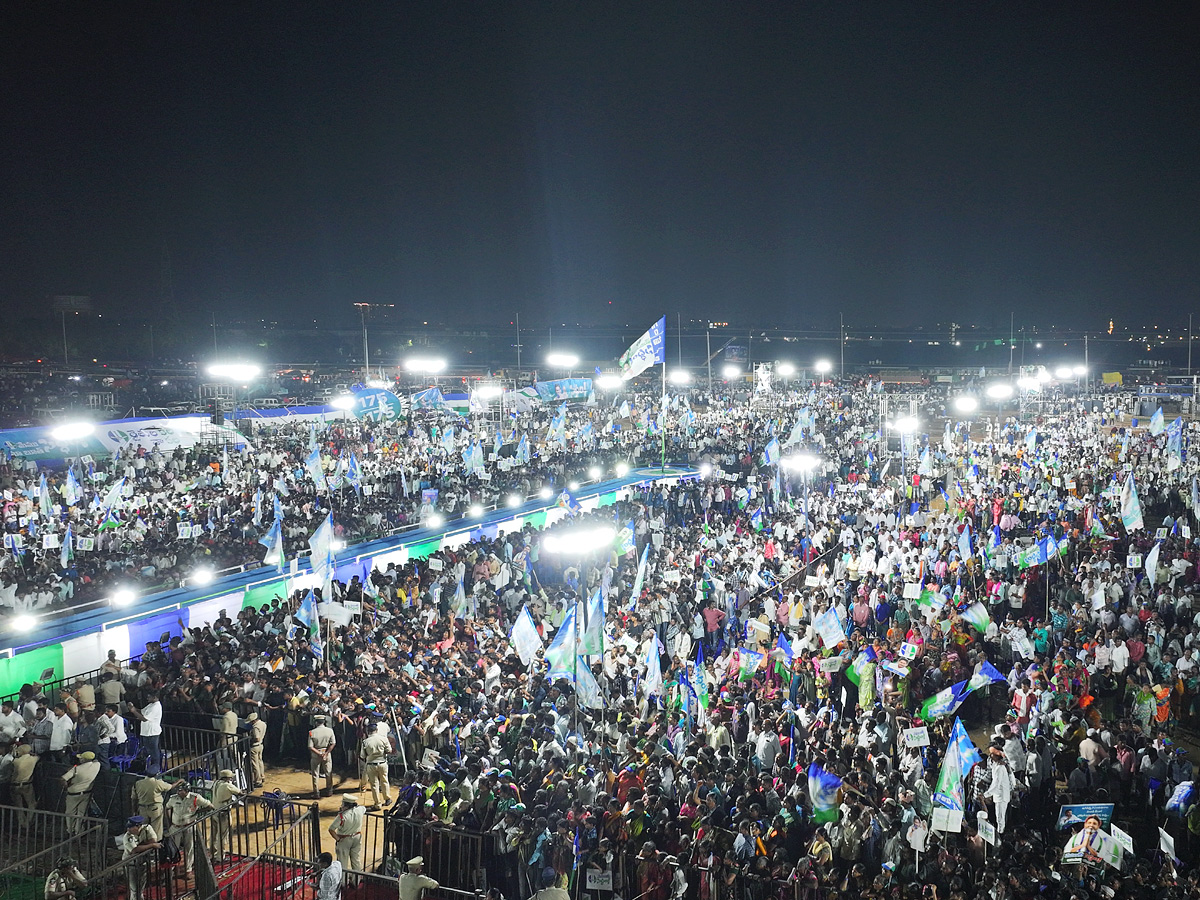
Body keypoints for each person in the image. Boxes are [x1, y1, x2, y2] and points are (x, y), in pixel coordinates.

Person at [165, 779, 214, 876]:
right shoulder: (173, 798)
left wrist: (197, 813)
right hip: (175, 827)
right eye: (178, 790)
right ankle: (174, 868)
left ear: (187, 790)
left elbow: (210, 805)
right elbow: (167, 808)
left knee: (189, 848)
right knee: (174, 849)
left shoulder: (195, 798)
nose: (179, 792)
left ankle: (188, 869)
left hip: (189, 826)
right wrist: (169, 823)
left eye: (181, 790)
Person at [60, 750, 101, 834]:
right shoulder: (97, 765)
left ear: (83, 760)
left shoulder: (76, 769)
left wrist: (66, 786)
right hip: (87, 792)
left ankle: (70, 830)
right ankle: (79, 830)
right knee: (81, 813)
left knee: (70, 813)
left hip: (73, 793)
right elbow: (96, 761)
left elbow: (63, 779)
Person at [122, 816, 162, 900]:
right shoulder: (127, 836)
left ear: (138, 826)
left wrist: (143, 846)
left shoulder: (147, 828)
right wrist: (150, 845)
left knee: (140, 888)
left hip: (142, 863)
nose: (128, 829)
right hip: (131, 864)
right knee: (134, 890)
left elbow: (154, 840)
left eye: (131, 827)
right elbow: (135, 850)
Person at [210, 769, 244, 863]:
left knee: (213, 835)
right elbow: (240, 792)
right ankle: (220, 858)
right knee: (222, 836)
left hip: (214, 812)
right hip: (223, 813)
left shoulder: (216, 782)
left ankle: (213, 854)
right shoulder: (227, 785)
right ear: (227, 778)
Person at [358, 721, 391, 810]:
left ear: (368, 731)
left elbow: (362, 756)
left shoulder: (365, 742)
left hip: (371, 764)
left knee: (374, 785)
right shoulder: (384, 739)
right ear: (377, 730)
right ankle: (387, 798)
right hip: (382, 763)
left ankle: (377, 804)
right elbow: (389, 750)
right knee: (384, 781)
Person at [329, 793, 366, 872]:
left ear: (346, 805)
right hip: (357, 837)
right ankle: (357, 879)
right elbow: (363, 808)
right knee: (356, 860)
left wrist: (338, 839)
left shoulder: (342, 816)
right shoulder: (360, 810)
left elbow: (331, 829)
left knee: (342, 862)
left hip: (344, 839)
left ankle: (343, 881)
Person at [11, 743, 39, 827]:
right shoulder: (33, 759)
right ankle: (29, 821)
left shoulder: (15, 761)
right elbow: (38, 757)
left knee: (18, 805)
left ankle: (21, 822)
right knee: (31, 804)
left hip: (14, 784)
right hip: (27, 784)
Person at [309, 713, 336, 798]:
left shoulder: (312, 732)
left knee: (315, 774)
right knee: (328, 772)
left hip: (316, 754)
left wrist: (319, 753)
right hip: (326, 753)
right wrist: (326, 753)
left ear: (316, 722)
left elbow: (310, 746)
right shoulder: (330, 730)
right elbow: (333, 743)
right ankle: (329, 790)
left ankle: (316, 792)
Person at [247, 711, 267, 787]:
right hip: (261, 745)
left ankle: (258, 781)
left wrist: (250, 741)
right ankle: (262, 776)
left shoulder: (255, 727)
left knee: (255, 764)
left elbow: (257, 738)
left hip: (255, 746)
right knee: (260, 761)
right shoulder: (263, 724)